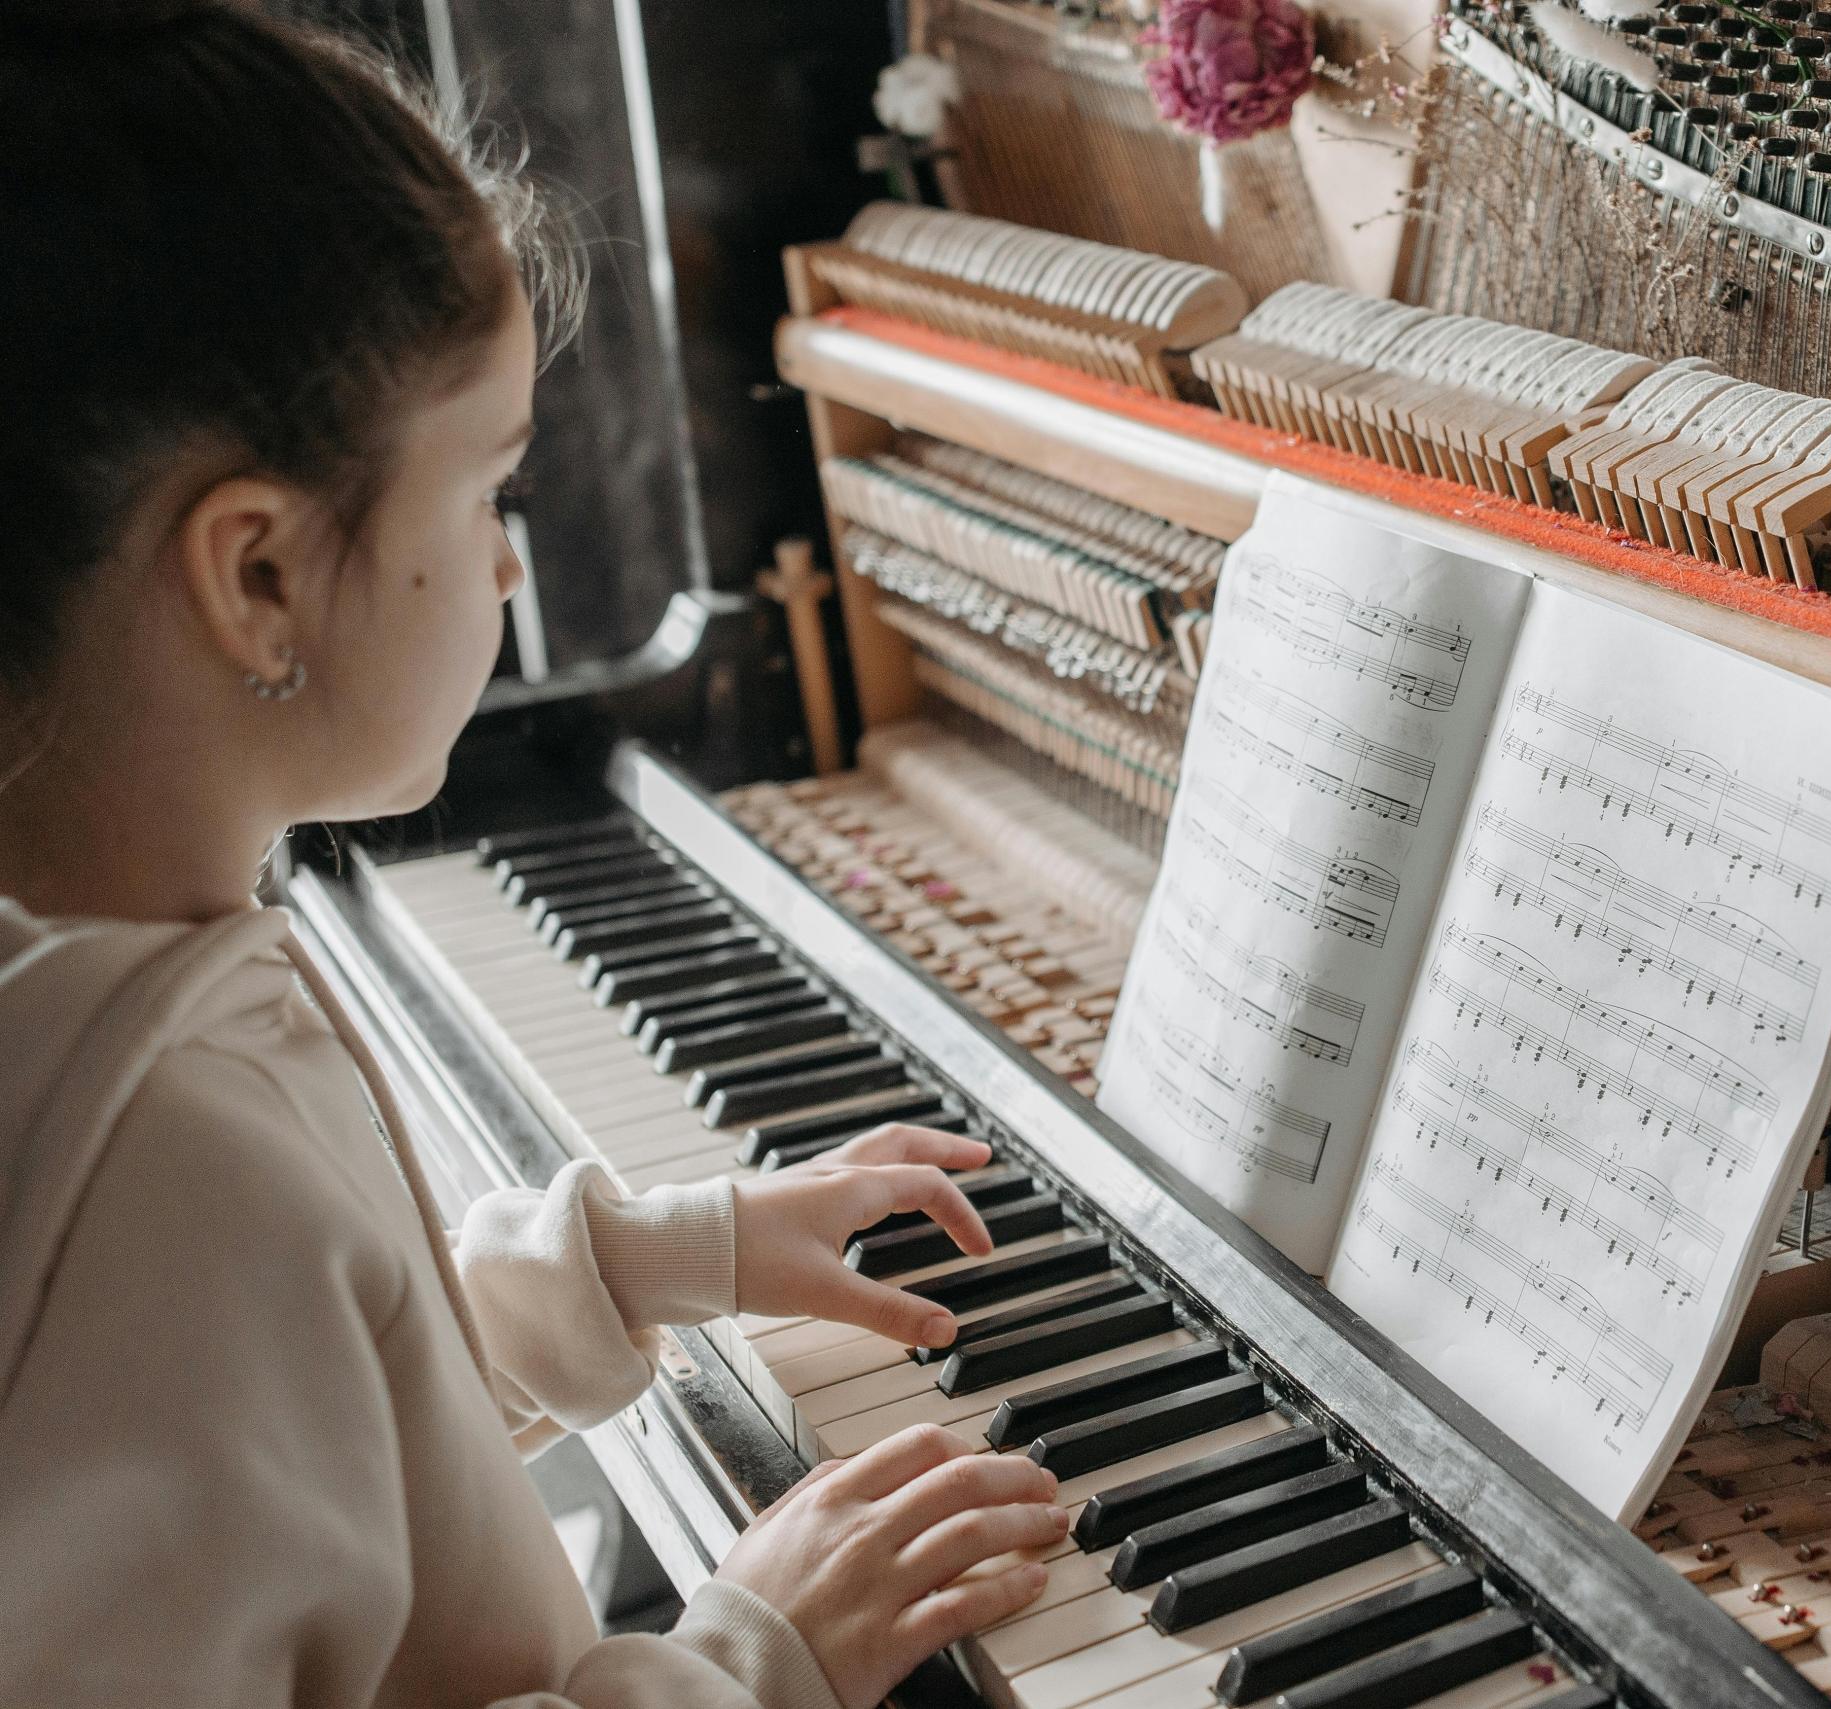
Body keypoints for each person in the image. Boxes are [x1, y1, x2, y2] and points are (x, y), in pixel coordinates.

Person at [0, 4, 1061, 1705]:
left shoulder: (101, 967)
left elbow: (299, 1428)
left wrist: (621, 1261)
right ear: (256, 576)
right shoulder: (155, 1174)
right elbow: (209, 1335)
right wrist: (745, 1655)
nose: (509, 570)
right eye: (490, 489)